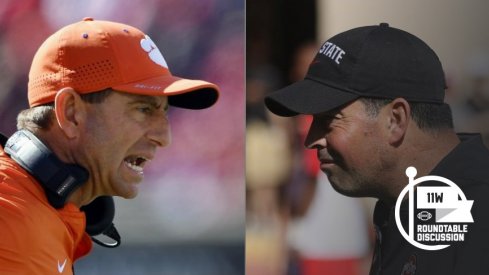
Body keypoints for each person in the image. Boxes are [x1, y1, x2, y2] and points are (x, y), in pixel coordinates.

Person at [264, 23, 489, 275]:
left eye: (329, 120)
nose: (312, 140)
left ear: (395, 120)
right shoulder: (410, 202)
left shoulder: (476, 215)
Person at [0, 17, 219, 274]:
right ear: (71, 113)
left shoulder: (36, 211)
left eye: (164, 112)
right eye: (143, 109)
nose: (164, 137)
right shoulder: (10, 217)